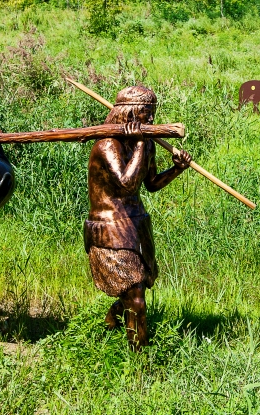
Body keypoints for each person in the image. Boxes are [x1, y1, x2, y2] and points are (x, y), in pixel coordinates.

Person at [85, 86, 191, 350]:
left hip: (136, 224)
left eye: (153, 113)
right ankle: (140, 358)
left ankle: (110, 322)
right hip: (109, 228)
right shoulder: (107, 145)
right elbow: (127, 184)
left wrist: (177, 170)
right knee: (136, 299)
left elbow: (151, 183)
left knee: (136, 288)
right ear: (131, 113)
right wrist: (143, 144)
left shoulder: (146, 143)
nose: (152, 120)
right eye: (146, 113)